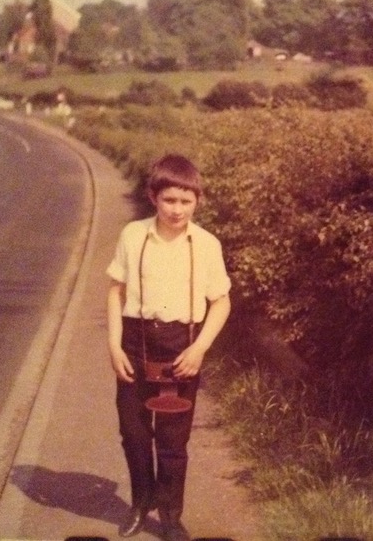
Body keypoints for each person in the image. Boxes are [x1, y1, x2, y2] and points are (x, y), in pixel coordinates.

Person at [106, 153, 232, 541]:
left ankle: (171, 515)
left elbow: (221, 301)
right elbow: (116, 291)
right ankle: (140, 503)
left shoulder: (207, 244)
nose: (177, 210)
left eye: (185, 201)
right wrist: (114, 344)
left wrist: (199, 350)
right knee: (135, 433)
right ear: (153, 197)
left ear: (197, 201)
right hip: (135, 340)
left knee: (174, 441)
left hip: (183, 346)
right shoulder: (133, 235)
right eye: (169, 200)